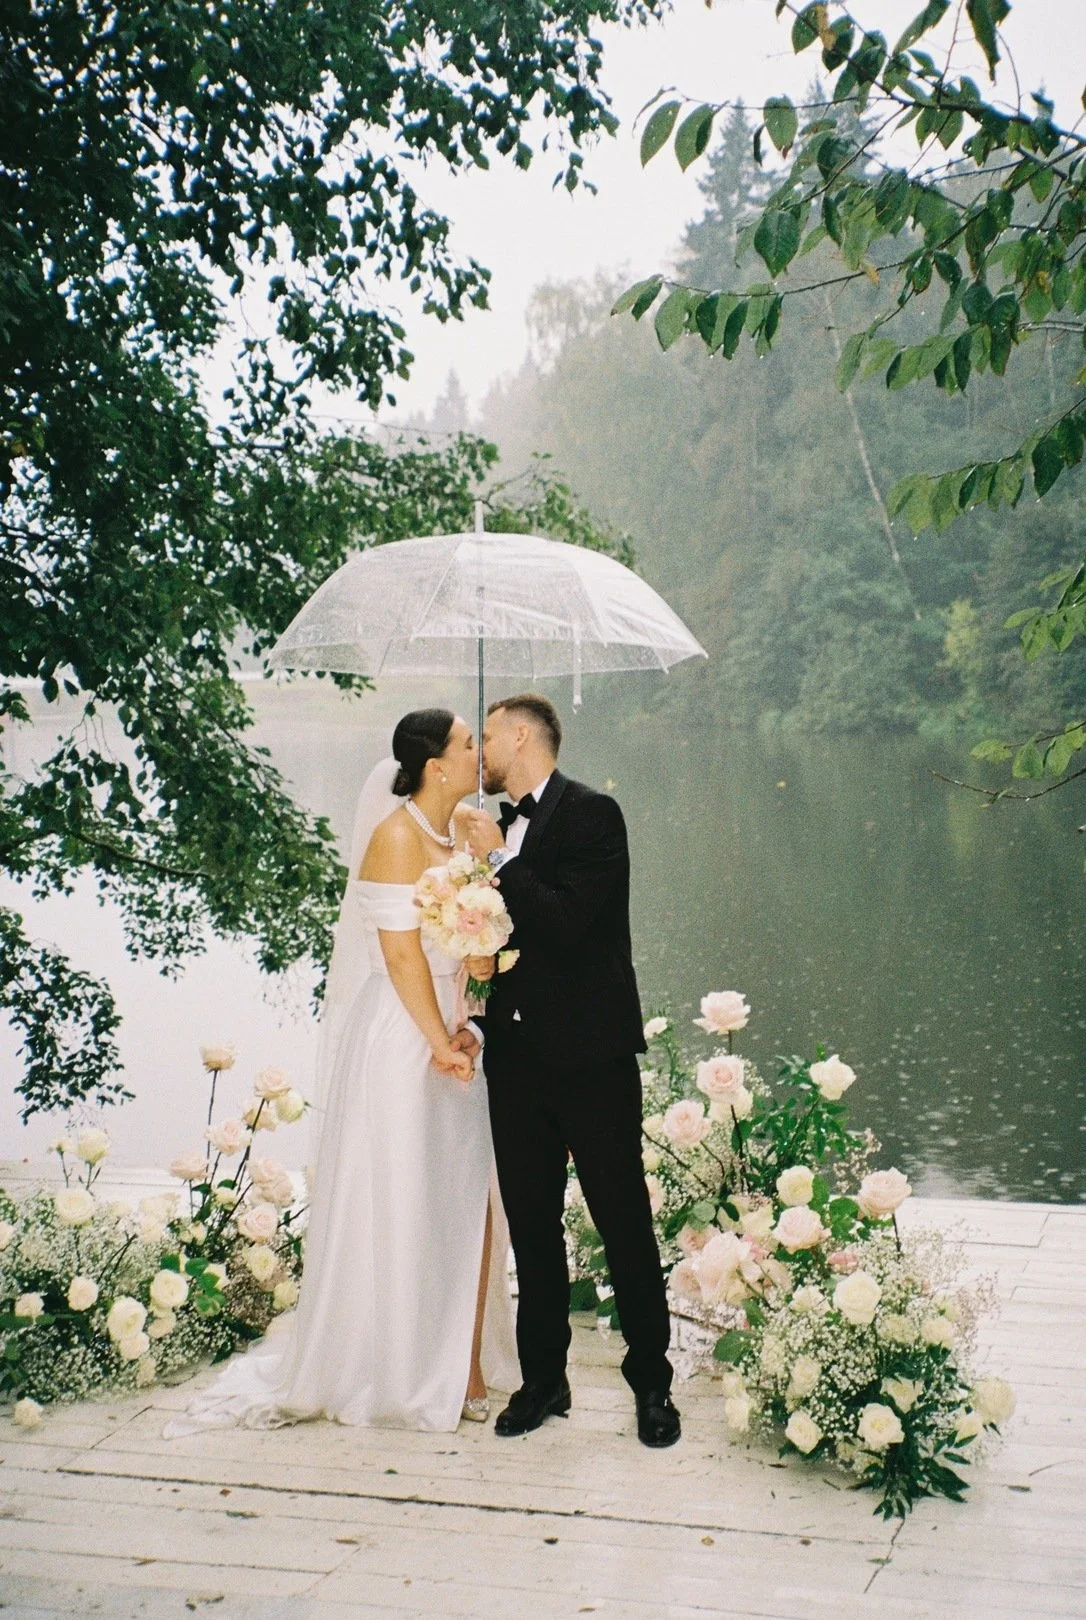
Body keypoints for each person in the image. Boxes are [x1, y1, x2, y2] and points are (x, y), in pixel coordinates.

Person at [163, 710, 518, 1437]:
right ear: (435, 766)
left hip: (451, 1030)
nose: (479, 753)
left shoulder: (462, 838)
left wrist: (479, 968)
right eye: (466, 745)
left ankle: (464, 1360)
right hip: (402, 1037)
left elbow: (465, 947)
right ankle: (397, 1364)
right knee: (404, 1195)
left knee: (467, 1198)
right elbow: (401, 957)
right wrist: (439, 1044)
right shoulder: (394, 837)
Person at [462, 693, 680, 1448]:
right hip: (516, 1062)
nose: (481, 751)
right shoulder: (488, 831)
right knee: (532, 1227)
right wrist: (478, 952)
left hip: (592, 1060)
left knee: (624, 1223)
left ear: (522, 736)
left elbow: (564, 921)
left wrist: (499, 856)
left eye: (488, 735)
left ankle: (651, 1385)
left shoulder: (594, 815)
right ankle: (544, 1381)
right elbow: (498, 937)